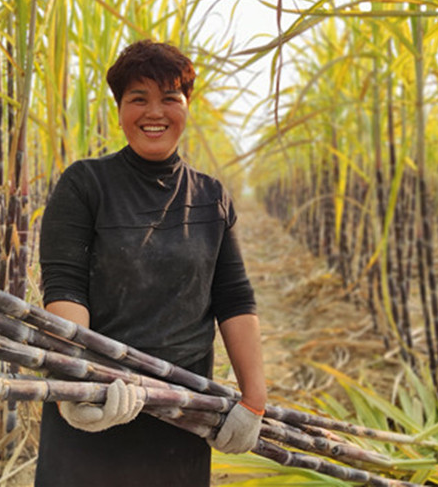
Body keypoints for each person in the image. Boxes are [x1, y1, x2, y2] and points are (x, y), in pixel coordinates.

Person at [35, 40, 267, 487]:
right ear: (119, 109)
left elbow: (234, 299)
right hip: (100, 400)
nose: (153, 112)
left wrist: (253, 401)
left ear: (187, 106)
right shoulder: (85, 185)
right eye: (138, 99)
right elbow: (64, 289)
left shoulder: (210, 197)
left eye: (169, 99)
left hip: (183, 411)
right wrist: (73, 388)